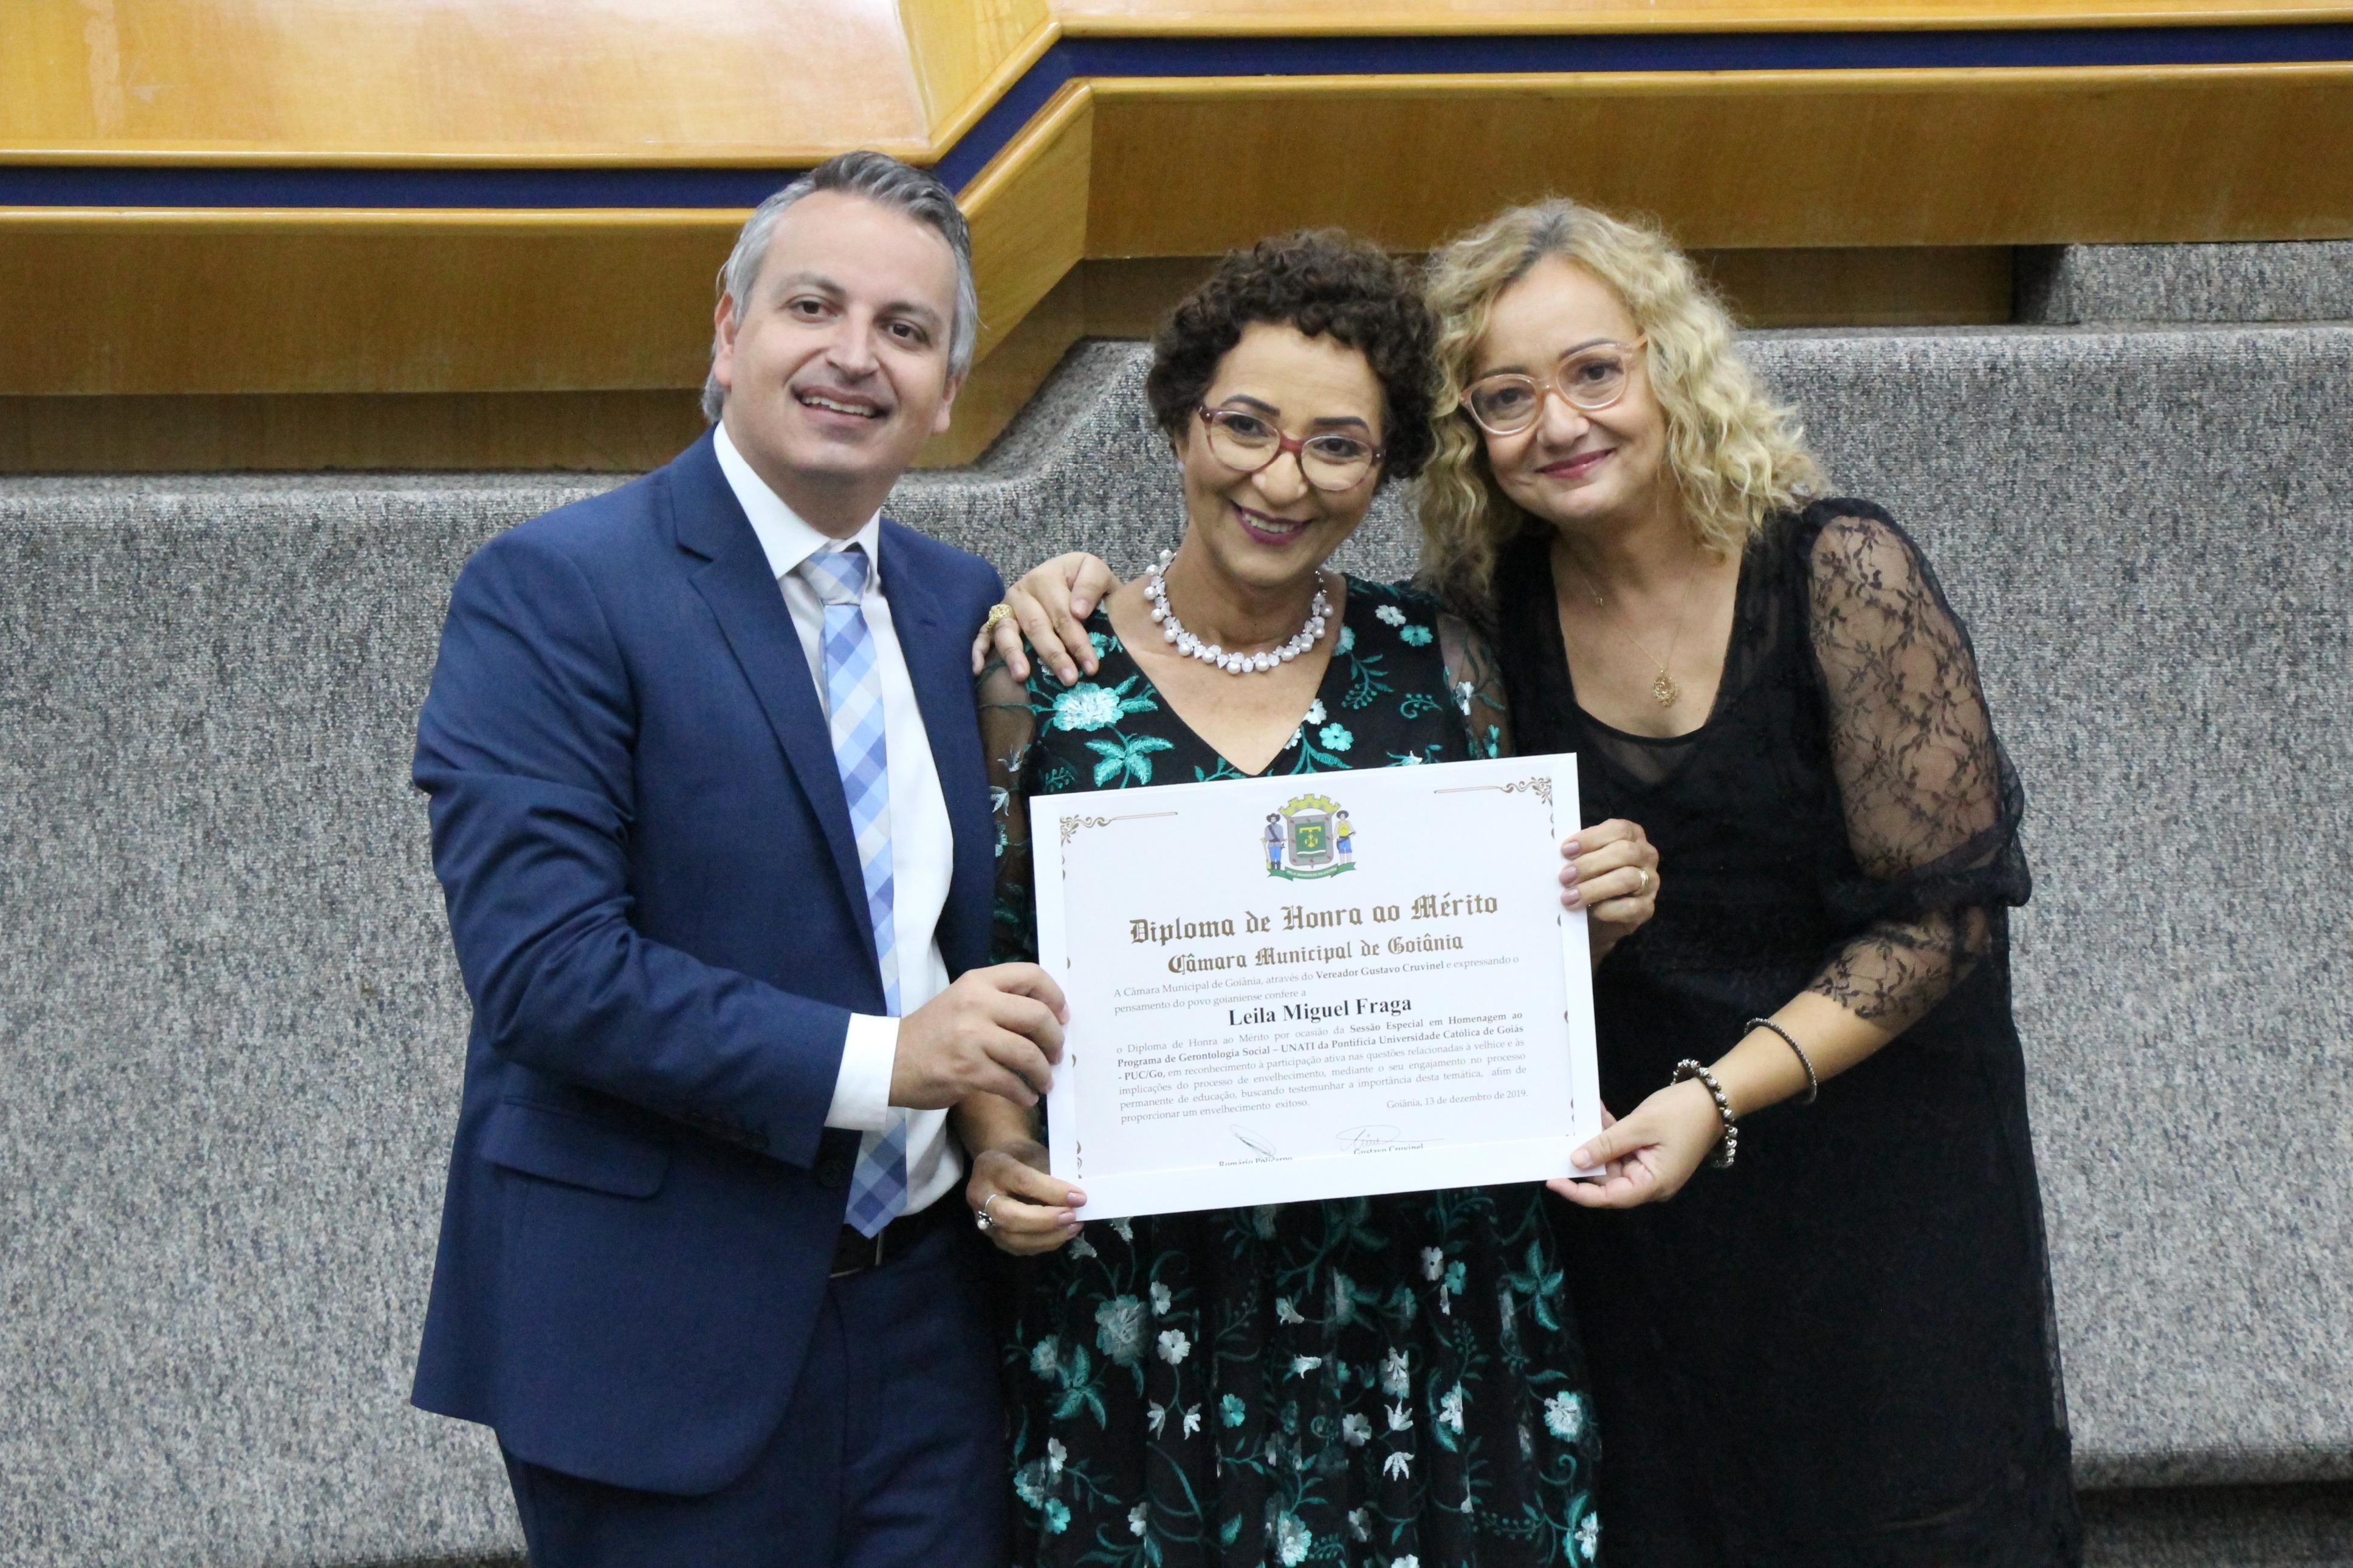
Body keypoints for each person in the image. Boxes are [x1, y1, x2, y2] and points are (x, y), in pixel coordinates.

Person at [994, 200, 2080, 1564]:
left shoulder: (1828, 569)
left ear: (1670, 366)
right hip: (1626, 1203)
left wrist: (1707, 1091)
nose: (1558, 422)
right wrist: (1063, 583)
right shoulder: (1484, 617)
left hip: (1860, 1173)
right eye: (1505, 395)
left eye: (1593, 372)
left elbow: (1945, 916)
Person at [958, 231, 1660, 1568]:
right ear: (1180, 421)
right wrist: (999, 1155)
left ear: (1383, 469)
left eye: (1337, 446)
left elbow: (1501, 970)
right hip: (1154, 1303)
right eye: (1246, 426)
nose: (1282, 478)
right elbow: (989, 957)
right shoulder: (1043, 669)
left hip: (1426, 1301)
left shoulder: (1446, 658)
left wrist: (1596, 914)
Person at [409, 151, 1067, 1568]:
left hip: (931, 1330)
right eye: (812, 307)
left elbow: (960, 936)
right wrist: (891, 1062)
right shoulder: (556, 589)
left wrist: (1000, 1133)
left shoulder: (958, 604)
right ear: (728, 333)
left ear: (949, 389)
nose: (854, 355)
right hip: (660, 1335)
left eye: (905, 329)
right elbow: (547, 973)